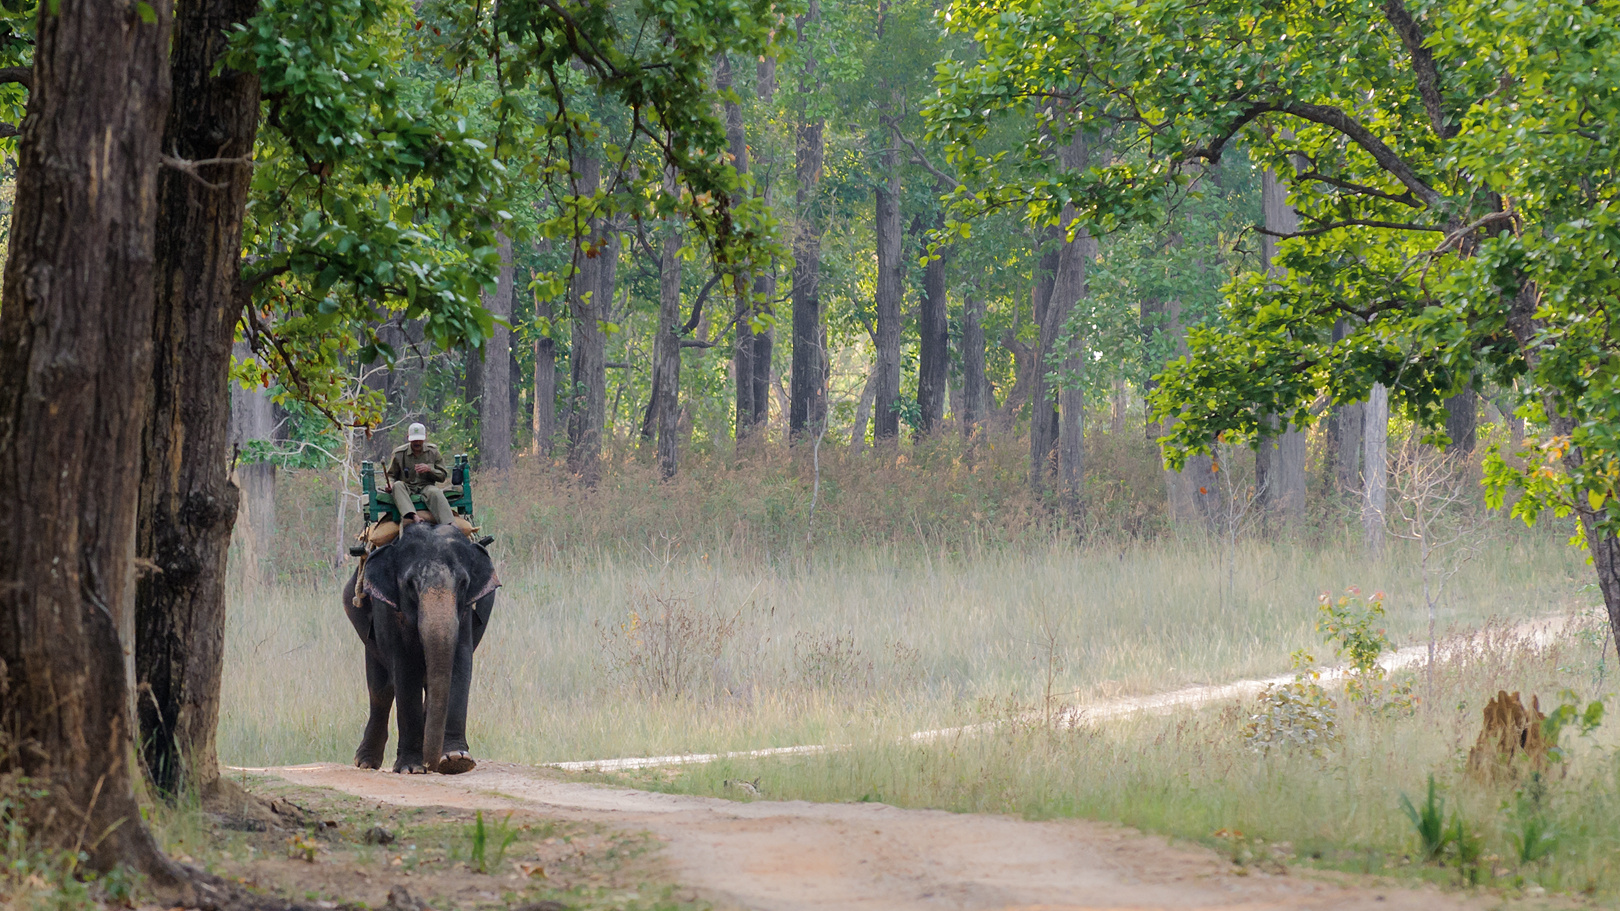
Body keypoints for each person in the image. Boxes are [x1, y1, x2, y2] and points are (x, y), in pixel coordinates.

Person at [385, 423, 454, 525]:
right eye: (414, 440)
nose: (417, 442)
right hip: (407, 486)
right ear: (408, 438)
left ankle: (449, 523)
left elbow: (442, 476)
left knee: (436, 492)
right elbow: (391, 475)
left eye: (419, 440)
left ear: (425, 437)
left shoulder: (433, 452)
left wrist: (430, 469)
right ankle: (413, 516)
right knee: (397, 485)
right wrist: (389, 484)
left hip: (426, 486)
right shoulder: (399, 453)